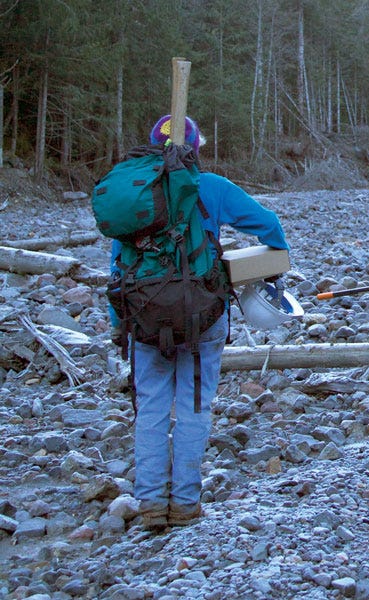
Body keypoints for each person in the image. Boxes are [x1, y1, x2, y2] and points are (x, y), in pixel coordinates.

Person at [111, 115, 290, 530]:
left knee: (151, 408)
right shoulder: (212, 187)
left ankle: (152, 504)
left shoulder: (136, 192)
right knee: (193, 406)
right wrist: (271, 263)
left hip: (142, 317)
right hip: (201, 316)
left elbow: (118, 265)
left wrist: (116, 323)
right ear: (196, 148)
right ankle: (186, 503)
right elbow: (270, 227)